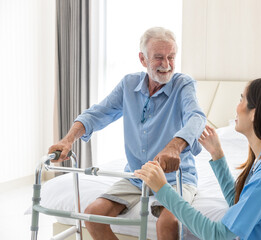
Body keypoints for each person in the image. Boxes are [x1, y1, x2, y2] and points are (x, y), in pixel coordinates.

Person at [48, 27, 206, 240]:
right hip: (136, 176)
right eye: (159, 57)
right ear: (143, 59)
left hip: (174, 178)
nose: (167, 64)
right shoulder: (129, 84)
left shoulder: (183, 84)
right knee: (93, 216)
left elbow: (196, 118)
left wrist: (174, 146)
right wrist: (68, 140)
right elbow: (98, 113)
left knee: (169, 222)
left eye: (171, 57)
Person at [135, 78, 261, 240]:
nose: (237, 106)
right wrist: (217, 155)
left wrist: (163, 189)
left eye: (241, 99)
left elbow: (218, 234)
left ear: (254, 113)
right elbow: (239, 207)